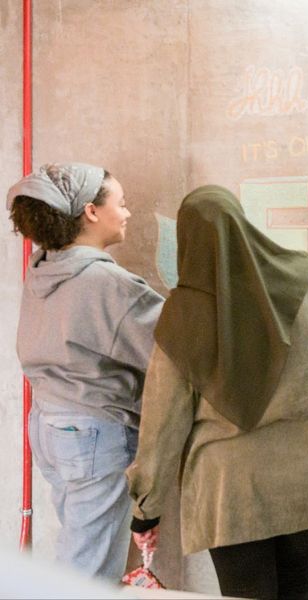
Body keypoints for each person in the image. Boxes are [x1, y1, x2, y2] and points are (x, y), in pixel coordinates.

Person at [125, 185, 308, 599]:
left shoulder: (182, 318)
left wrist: (145, 510)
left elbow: (162, 426)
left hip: (231, 492)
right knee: (300, 582)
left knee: (247, 593)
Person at [6, 163, 165, 579]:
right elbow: (175, 352)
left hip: (50, 426)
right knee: (89, 573)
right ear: (91, 212)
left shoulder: (45, 267)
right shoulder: (106, 283)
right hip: (93, 432)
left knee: (78, 554)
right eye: (122, 203)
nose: (128, 213)